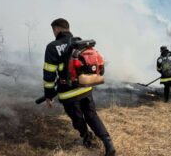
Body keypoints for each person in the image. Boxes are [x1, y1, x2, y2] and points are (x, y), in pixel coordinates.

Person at [43, 18, 116, 156]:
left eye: (53, 30)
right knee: (92, 115)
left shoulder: (52, 47)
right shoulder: (80, 42)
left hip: (68, 93)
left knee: (77, 119)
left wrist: (48, 94)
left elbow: (49, 74)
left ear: (57, 29)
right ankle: (108, 143)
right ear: (68, 28)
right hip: (85, 87)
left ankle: (87, 138)